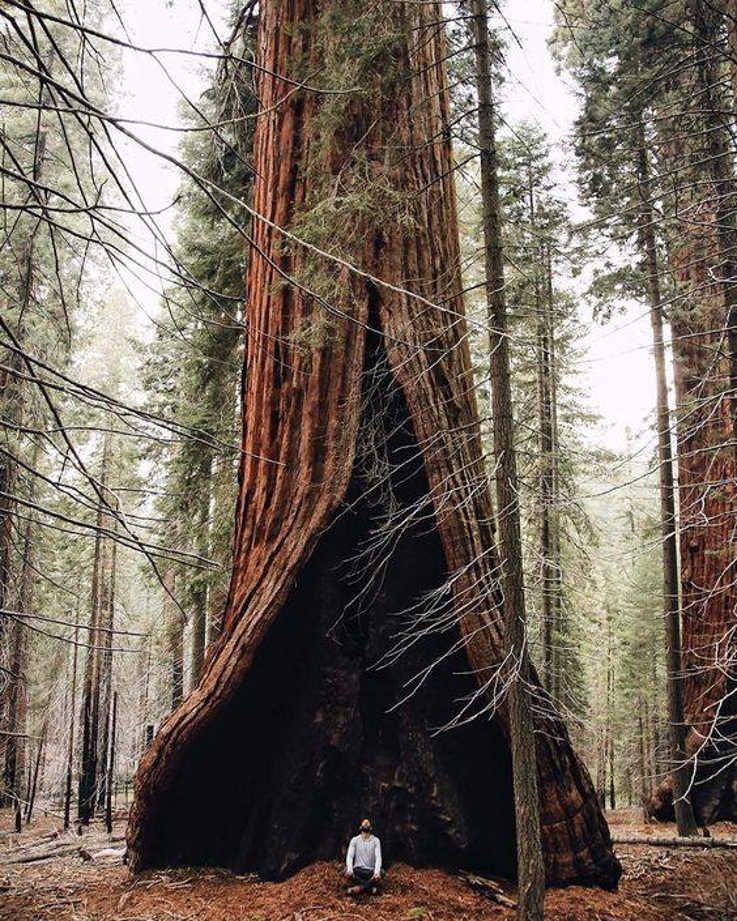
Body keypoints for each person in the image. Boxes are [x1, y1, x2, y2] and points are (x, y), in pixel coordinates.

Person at [345, 818, 382, 895]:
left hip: (370, 872)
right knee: (345, 871)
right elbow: (350, 856)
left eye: (367, 823)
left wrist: (376, 872)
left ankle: (359, 889)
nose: (365, 823)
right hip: (357, 870)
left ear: (371, 828)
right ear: (360, 827)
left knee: (382, 872)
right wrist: (350, 869)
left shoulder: (376, 841)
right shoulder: (354, 840)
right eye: (364, 823)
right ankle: (370, 889)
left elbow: (378, 857)